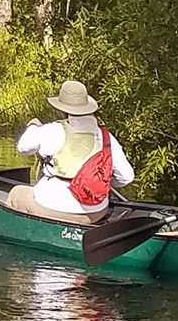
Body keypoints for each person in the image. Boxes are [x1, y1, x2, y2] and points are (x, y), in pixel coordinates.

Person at [9, 80, 134, 224]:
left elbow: (23, 147)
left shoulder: (53, 130)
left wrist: (32, 126)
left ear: (61, 110)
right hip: (96, 213)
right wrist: (97, 181)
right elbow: (126, 177)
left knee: (16, 194)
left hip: (53, 209)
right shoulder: (106, 137)